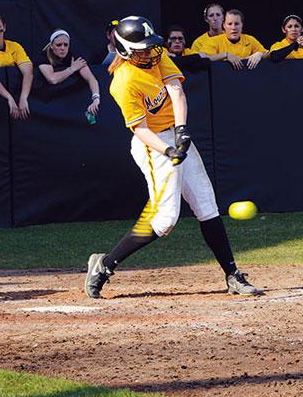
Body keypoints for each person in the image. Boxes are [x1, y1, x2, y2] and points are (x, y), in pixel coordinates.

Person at [84, 16, 261, 299]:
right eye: (141, 49)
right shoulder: (123, 81)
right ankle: (104, 265)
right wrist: (168, 149)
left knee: (206, 204)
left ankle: (232, 275)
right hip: (152, 144)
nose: (150, 52)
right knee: (165, 220)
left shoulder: (157, 57)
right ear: (126, 51)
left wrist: (181, 131)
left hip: (172, 133)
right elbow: (140, 129)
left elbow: (176, 90)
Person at [38, 29, 100, 116]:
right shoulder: (44, 56)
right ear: (51, 45)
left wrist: (96, 98)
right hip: (46, 99)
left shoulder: (74, 56)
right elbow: (52, 79)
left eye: (66, 45)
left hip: (70, 102)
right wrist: (72, 69)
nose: (62, 48)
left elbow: (91, 79)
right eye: (58, 45)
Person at [201, 9, 268, 70]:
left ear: (242, 25)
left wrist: (260, 54)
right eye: (230, 24)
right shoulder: (214, 41)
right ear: (224, 25)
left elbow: (268, 55)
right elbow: (203, 59)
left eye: (237, 24)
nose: (233, 27)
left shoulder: (250, 40)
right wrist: (226, 55)